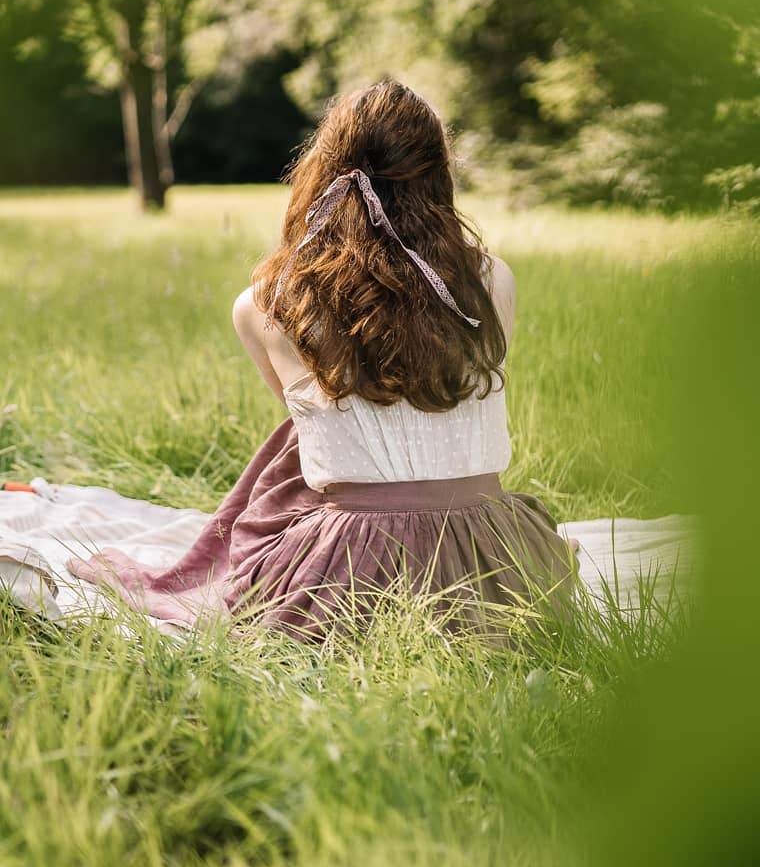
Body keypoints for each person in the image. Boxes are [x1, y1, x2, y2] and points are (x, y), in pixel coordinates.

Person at [63, 79, 577, 640]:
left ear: (324, 169)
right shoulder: (491, 280)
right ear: (437, 174)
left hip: (353, 571)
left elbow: (309, 429)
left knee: (303, 446)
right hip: (495, 559)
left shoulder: (267, 303)